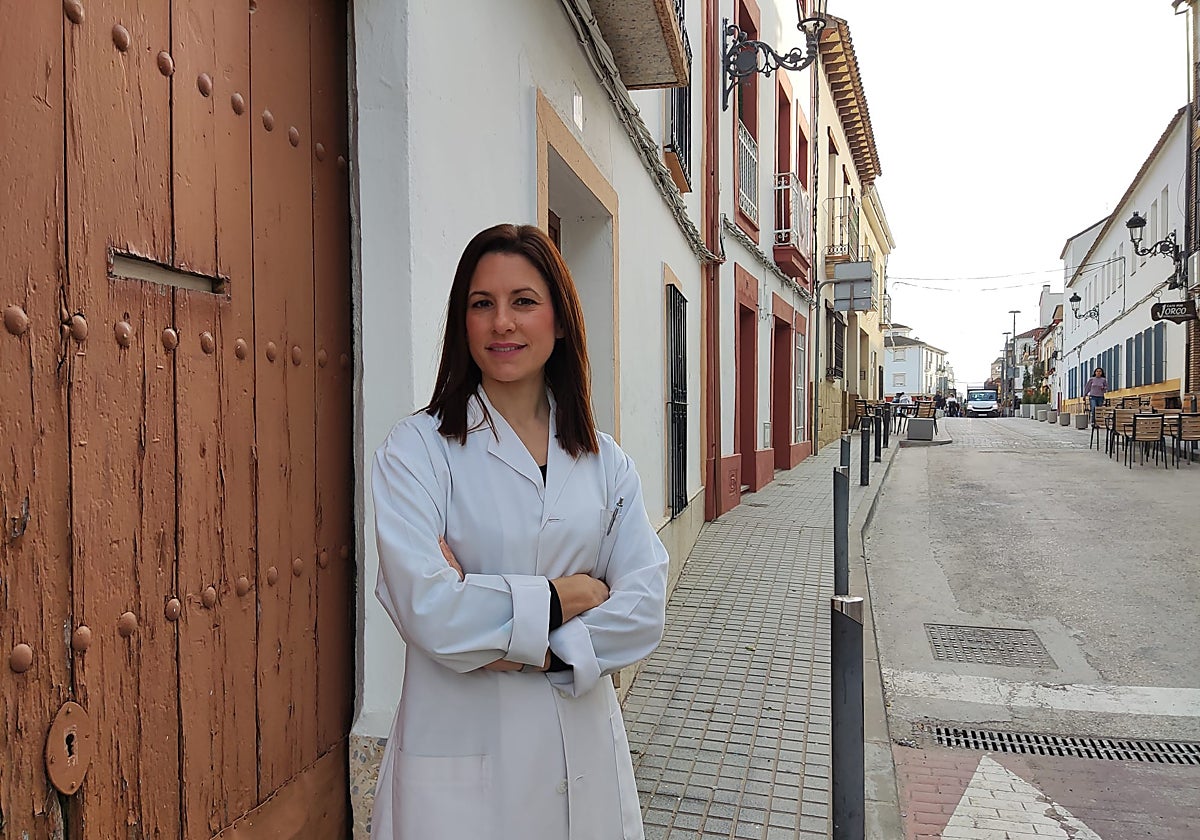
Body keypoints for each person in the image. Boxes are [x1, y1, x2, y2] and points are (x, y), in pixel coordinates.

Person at [370, 223, 669, 840]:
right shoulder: (417, 451)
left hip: (581, 762)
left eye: (523, 302)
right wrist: (566, 597)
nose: (501, 322)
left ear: (560, 322)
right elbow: (429, 609)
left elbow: (644, 607)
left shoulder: (605, 461)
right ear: (464, 322)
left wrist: (527, 639)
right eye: (482, 304)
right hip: (461, 762)